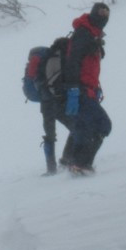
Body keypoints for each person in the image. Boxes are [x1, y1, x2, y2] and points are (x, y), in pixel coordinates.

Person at [61, 2, 112, 174]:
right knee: (103, 124)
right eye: (101, 11)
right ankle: (81, 164)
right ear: (93, 13)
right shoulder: (83, 33)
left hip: (87, 90)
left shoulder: (92, 34)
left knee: (84, 126)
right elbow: (72, 61)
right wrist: (74, 88)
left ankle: (71, 162)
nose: (104, 16)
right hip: (80, 90)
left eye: (107, 13)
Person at [35, 36, 74, 175]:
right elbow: (53, 81)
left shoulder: (47, 57)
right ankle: (66, 160)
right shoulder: (57, 57)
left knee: (49, 134)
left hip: (45, 103)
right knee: (75, 127)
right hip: (54, 102)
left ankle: (51, 168)